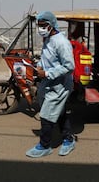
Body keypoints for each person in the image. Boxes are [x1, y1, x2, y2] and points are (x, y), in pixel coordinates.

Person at [25, 11, 75, 158]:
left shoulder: (61, 43)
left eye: (43, 25)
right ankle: (68, 138)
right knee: (58, 111)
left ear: (51, 25)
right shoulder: (48, 39)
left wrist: (47, 74)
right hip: (49, 83)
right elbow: (47, 58)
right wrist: (39, 66)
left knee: (46, 114)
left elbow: (69, 66)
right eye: (38, 25)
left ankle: (44, 145)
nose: (40, 28)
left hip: (60, 84)